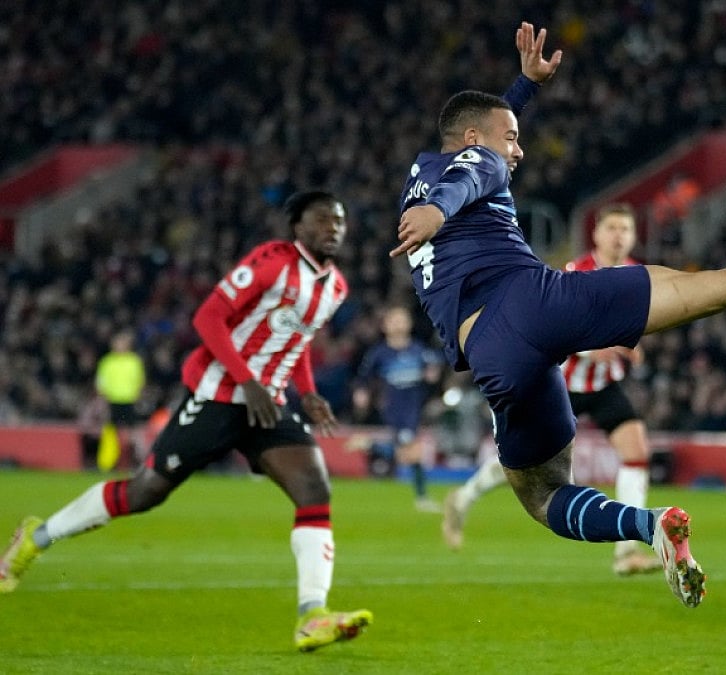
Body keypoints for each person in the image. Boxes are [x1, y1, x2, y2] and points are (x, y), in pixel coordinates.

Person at [390, 22, 726, 608]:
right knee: (712, 287)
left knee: (543, 494)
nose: (519, 150)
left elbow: (468, 156)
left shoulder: (419, 174)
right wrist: (439, 211)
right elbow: (476, 170)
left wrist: (522, 88)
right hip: (535, 302)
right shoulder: (472, 167)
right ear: (475, 137)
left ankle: (650, 526)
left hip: (492, 355)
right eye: (513, 137)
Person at [0, 191, 373, 652]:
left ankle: (311, 614)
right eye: (321, 220)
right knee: (145, 492)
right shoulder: (271, 261)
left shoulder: (335, 287)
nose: (332, 228)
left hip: (268, 405)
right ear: (297, 226)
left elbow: (294, 342)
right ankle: (35, 538)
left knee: (314, 490)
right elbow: (208, 317)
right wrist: (246, 380)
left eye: (338, 221)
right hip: (220, 394)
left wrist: (309, 390)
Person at [442, 203, 661, 576]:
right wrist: (604, 347)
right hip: (560, 382)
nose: (619, 236)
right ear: (596, 234)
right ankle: (462, 498)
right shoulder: (577, 273)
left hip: (603, 385)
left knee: (636, 449)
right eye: (612, 228)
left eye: (626, 229)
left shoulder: (635, 275)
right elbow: (556, 328)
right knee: (527, 465)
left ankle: (626, 554)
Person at [353, 305, 443, 511]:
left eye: (402, 320)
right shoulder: (379, 353)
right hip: (395, 408)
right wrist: (362, 393)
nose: (399, 324)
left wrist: (432, 375)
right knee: (412, 453)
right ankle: (422, 499)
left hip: (415, 406)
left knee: (410, 453)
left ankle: (371, 446)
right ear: (385, 326)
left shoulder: (418, 350)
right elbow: (363, 378)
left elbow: (433, 370)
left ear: (409, 324)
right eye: (394, 320)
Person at [95, 329, 146, 468]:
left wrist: (138, 397)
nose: (119, 345)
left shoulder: (134, 361)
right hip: (112, 401)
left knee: (133, 433)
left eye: (122, 342)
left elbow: (140, 381)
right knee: (110, 432)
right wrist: (102, 400)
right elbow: (101, 382)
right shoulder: (107, 361)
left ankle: (139, 461)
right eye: (117, 342)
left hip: (130, 400)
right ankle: (107, 462)